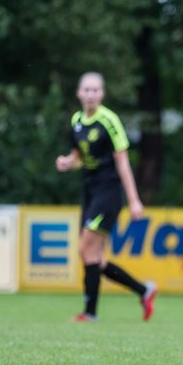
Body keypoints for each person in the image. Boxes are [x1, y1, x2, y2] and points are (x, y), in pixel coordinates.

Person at [54, 72, 157, 322]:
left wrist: (133, 199)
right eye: (86, 90)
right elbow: (79, 156)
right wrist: (69, 162)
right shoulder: (76, 120)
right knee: (93, 258)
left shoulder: (109, 121)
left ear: (102, 94)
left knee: (85, 247)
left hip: (109, 190)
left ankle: (90, 313)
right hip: (89, 190)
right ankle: (144, 290)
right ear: (79, 93)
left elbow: (122, 162)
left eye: (95, 90)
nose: (90, 95)